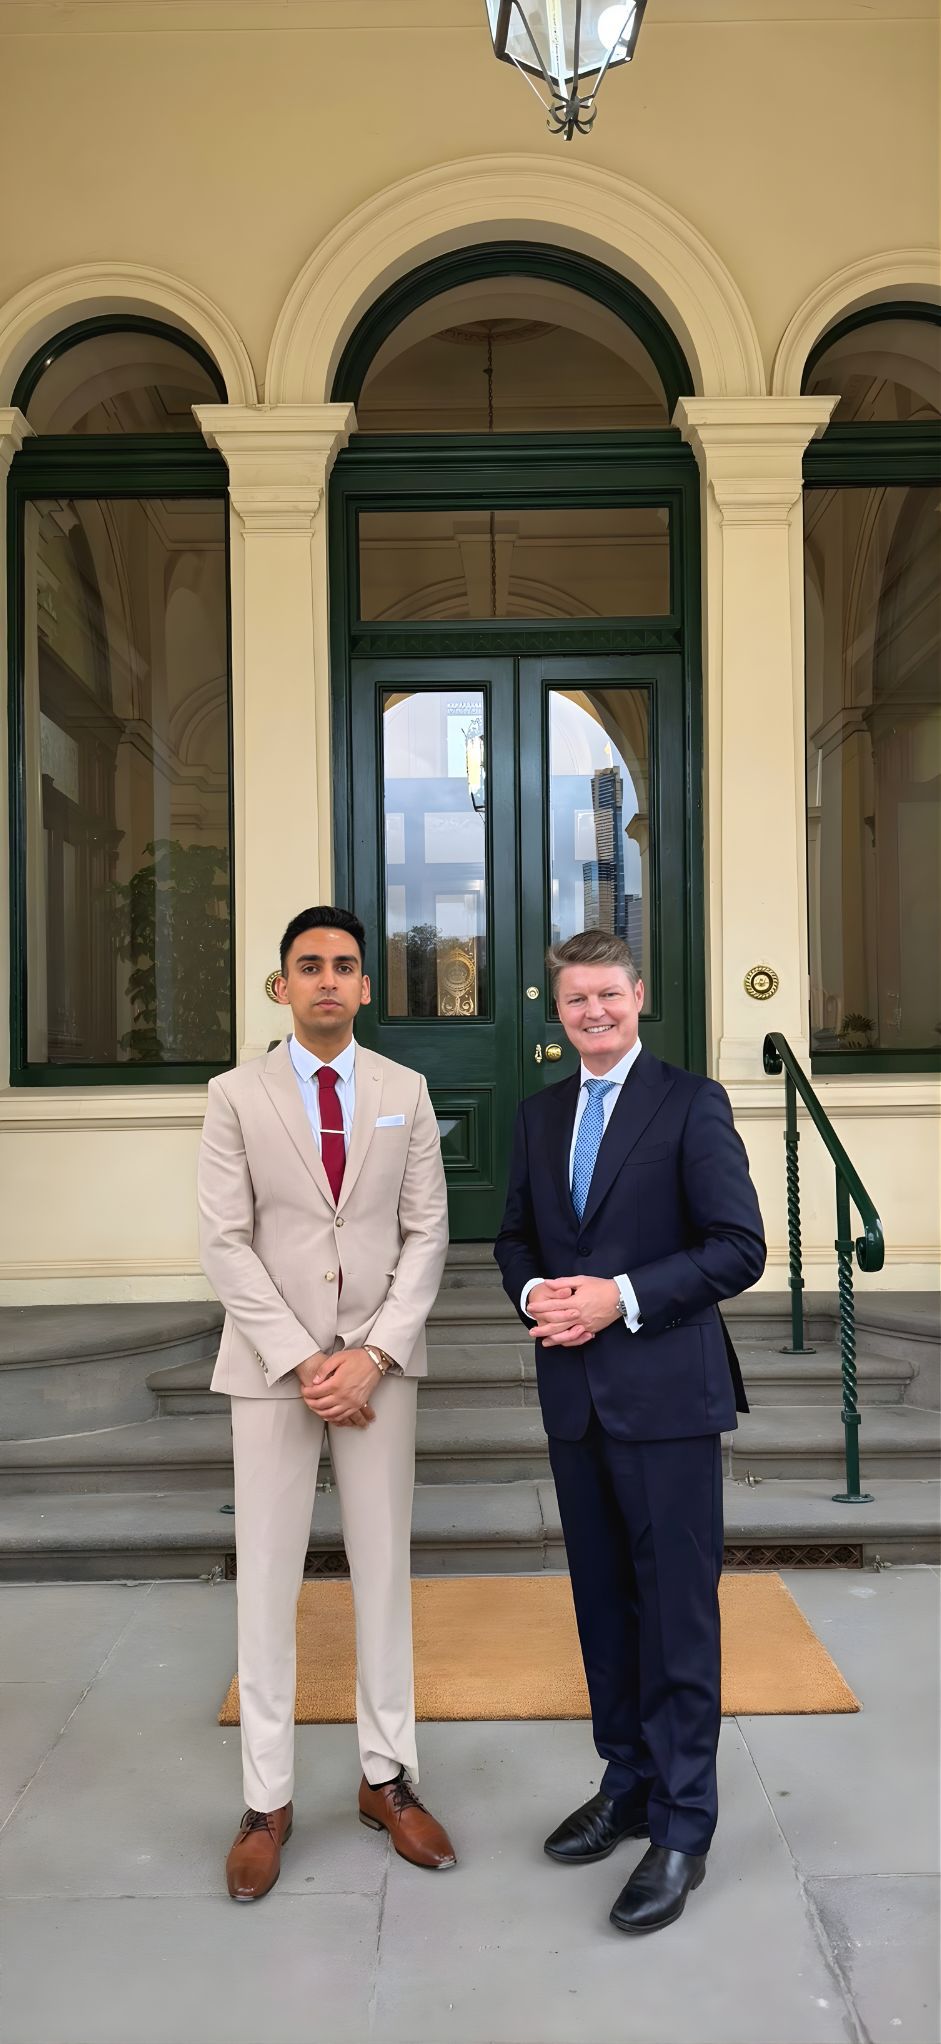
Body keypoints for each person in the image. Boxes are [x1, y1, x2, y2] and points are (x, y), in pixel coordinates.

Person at [494, 930, 765, 1935]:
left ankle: (684, 1824)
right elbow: (512, 1233)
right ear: (556, 1010)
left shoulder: (689, 1103)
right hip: (573, 1396)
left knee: (677, 1617)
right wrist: (534, 1290)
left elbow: (737, 1248)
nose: (592, 1012)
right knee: (603, 1609)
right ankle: (628, 1781)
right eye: (575, 1000)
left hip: (666, 1398)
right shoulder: (535, 1116)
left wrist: (615, 1297)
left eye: (607, 994)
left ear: (638, 996)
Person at [198, 905, 456, 1902]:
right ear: (281, 985)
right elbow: (224, 1239)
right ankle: (266, 1802)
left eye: (344, 966)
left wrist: (376, 1352)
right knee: (265, 1580)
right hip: (270, 1367)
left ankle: (386, 1779)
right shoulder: (234, 1095)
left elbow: (426, 1231)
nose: (327, 981)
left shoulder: (405, 1089)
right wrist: (306, 1357)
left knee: (382, 1571)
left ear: (361, 985)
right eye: (308, 966)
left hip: (379, 1370)